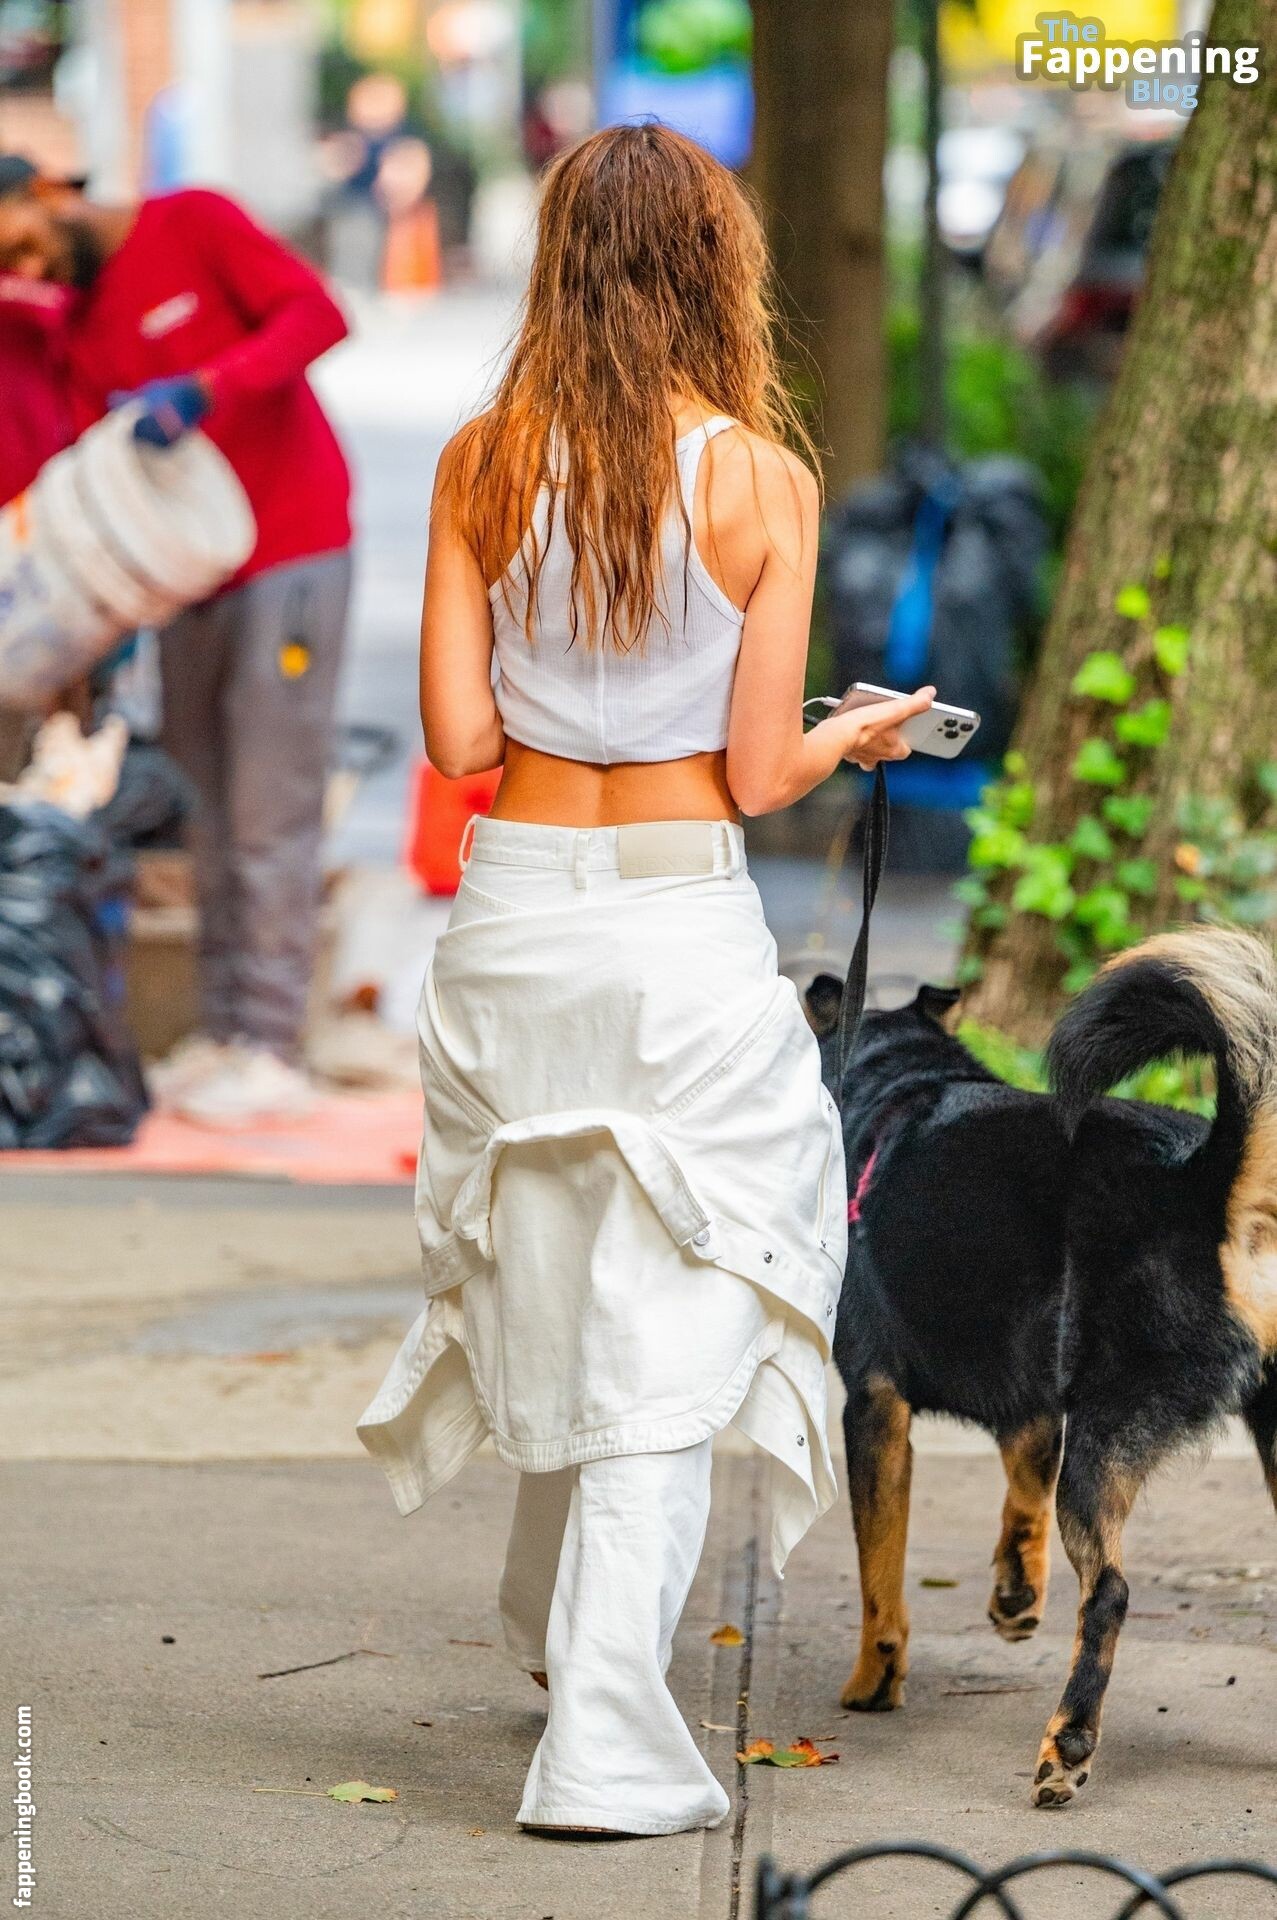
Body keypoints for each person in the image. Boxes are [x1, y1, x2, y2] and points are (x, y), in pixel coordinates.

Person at [357, 122, 934, 1839]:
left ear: (558, 264)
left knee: (559, 1259)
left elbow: (460, 739)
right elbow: (755, 776)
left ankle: (555, 1628)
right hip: (676, 920)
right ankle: (604, 1741)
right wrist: (851, 736)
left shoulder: (480, 462)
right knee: (681, 1298)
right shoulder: (759, 480)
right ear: (712, 268)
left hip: (516, 911)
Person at [0, 158, 354, 1125]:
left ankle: (273, 1045)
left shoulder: (193, 224)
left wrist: (206, 387)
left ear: (52, 193)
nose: (31, 269)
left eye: (22, 243)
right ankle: (228, 1030)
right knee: (206, 808)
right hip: (181, 581)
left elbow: (317, 316)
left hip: (288, 551)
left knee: (268, 803)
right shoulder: (75, 325)